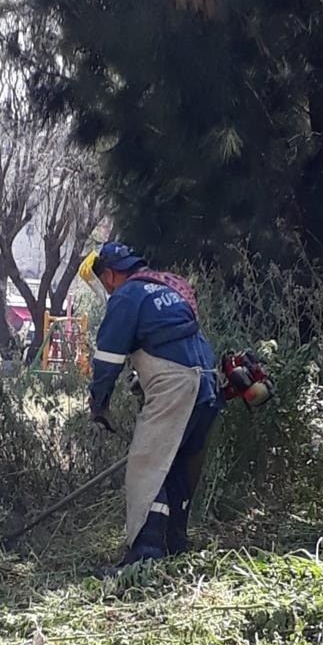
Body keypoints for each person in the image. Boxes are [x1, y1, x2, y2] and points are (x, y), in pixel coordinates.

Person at [78, 241, 224, 568]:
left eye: (102, 281)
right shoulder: (166, 286)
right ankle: (174, 546)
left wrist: (98, 403)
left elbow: (108, 359)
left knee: (146, 467)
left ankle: (144, 558)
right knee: (175, 468)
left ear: (111, 275)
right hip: (207, 384)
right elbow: (171, 340)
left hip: (176, 387)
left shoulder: (127, 295)